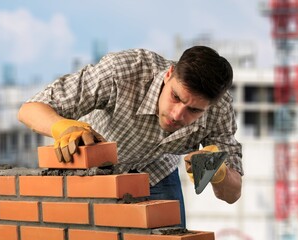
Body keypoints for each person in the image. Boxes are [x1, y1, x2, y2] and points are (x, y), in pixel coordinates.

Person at [18, 46, 243, 228]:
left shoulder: (219, 110)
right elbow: (29, 109)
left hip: (156, 171)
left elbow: (233, 193)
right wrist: (61, 126)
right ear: (168, 75)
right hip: (95, 169)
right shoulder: (124, 71)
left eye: (194, 111)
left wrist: (219, 171)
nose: (177, 115)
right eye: (175, 97)